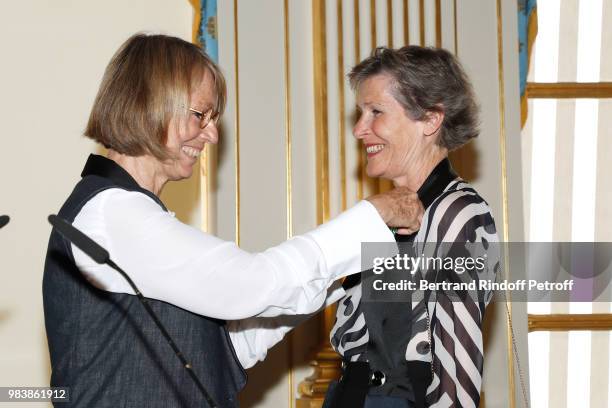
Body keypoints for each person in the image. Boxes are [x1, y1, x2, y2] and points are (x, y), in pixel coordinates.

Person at [42, 34, 424, 407]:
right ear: (150, 104)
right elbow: (252, 284)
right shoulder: (112, 215)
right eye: (199, 115)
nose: (210, 134)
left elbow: (223, 346)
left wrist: (342, 275)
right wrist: (371, 216)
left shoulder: (124, 212)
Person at [325, 46, 499, 408]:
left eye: (376, 112)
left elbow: (457, 379)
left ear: (431, 120)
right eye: (361, 113)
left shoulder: (458, 214)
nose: (359, 129)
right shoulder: (385, 214)